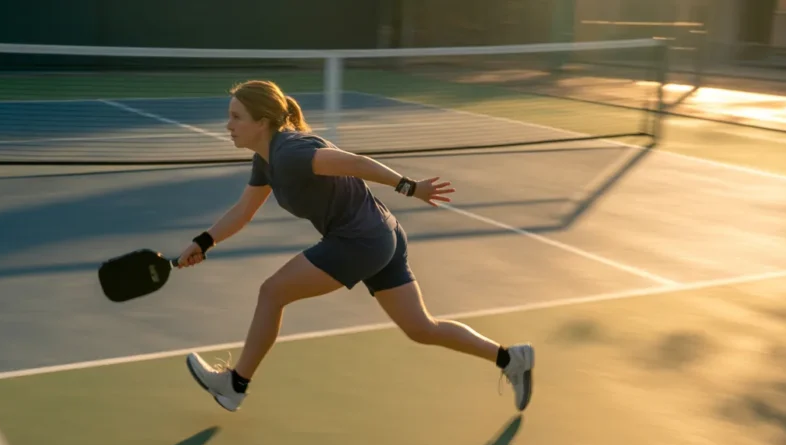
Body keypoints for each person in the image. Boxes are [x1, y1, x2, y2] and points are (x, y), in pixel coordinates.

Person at [177, 80, 534, 413]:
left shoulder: (292, 153)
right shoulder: (267, 161)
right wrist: (203, 242)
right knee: (421, 328)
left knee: (272, 292)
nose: (229, 125)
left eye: (236, 117)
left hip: (360, 240)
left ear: (263, 121)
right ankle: (510, 358)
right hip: (382, 235)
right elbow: (243, 211)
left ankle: (235, 385)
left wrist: (411, 187)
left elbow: (357, 163)